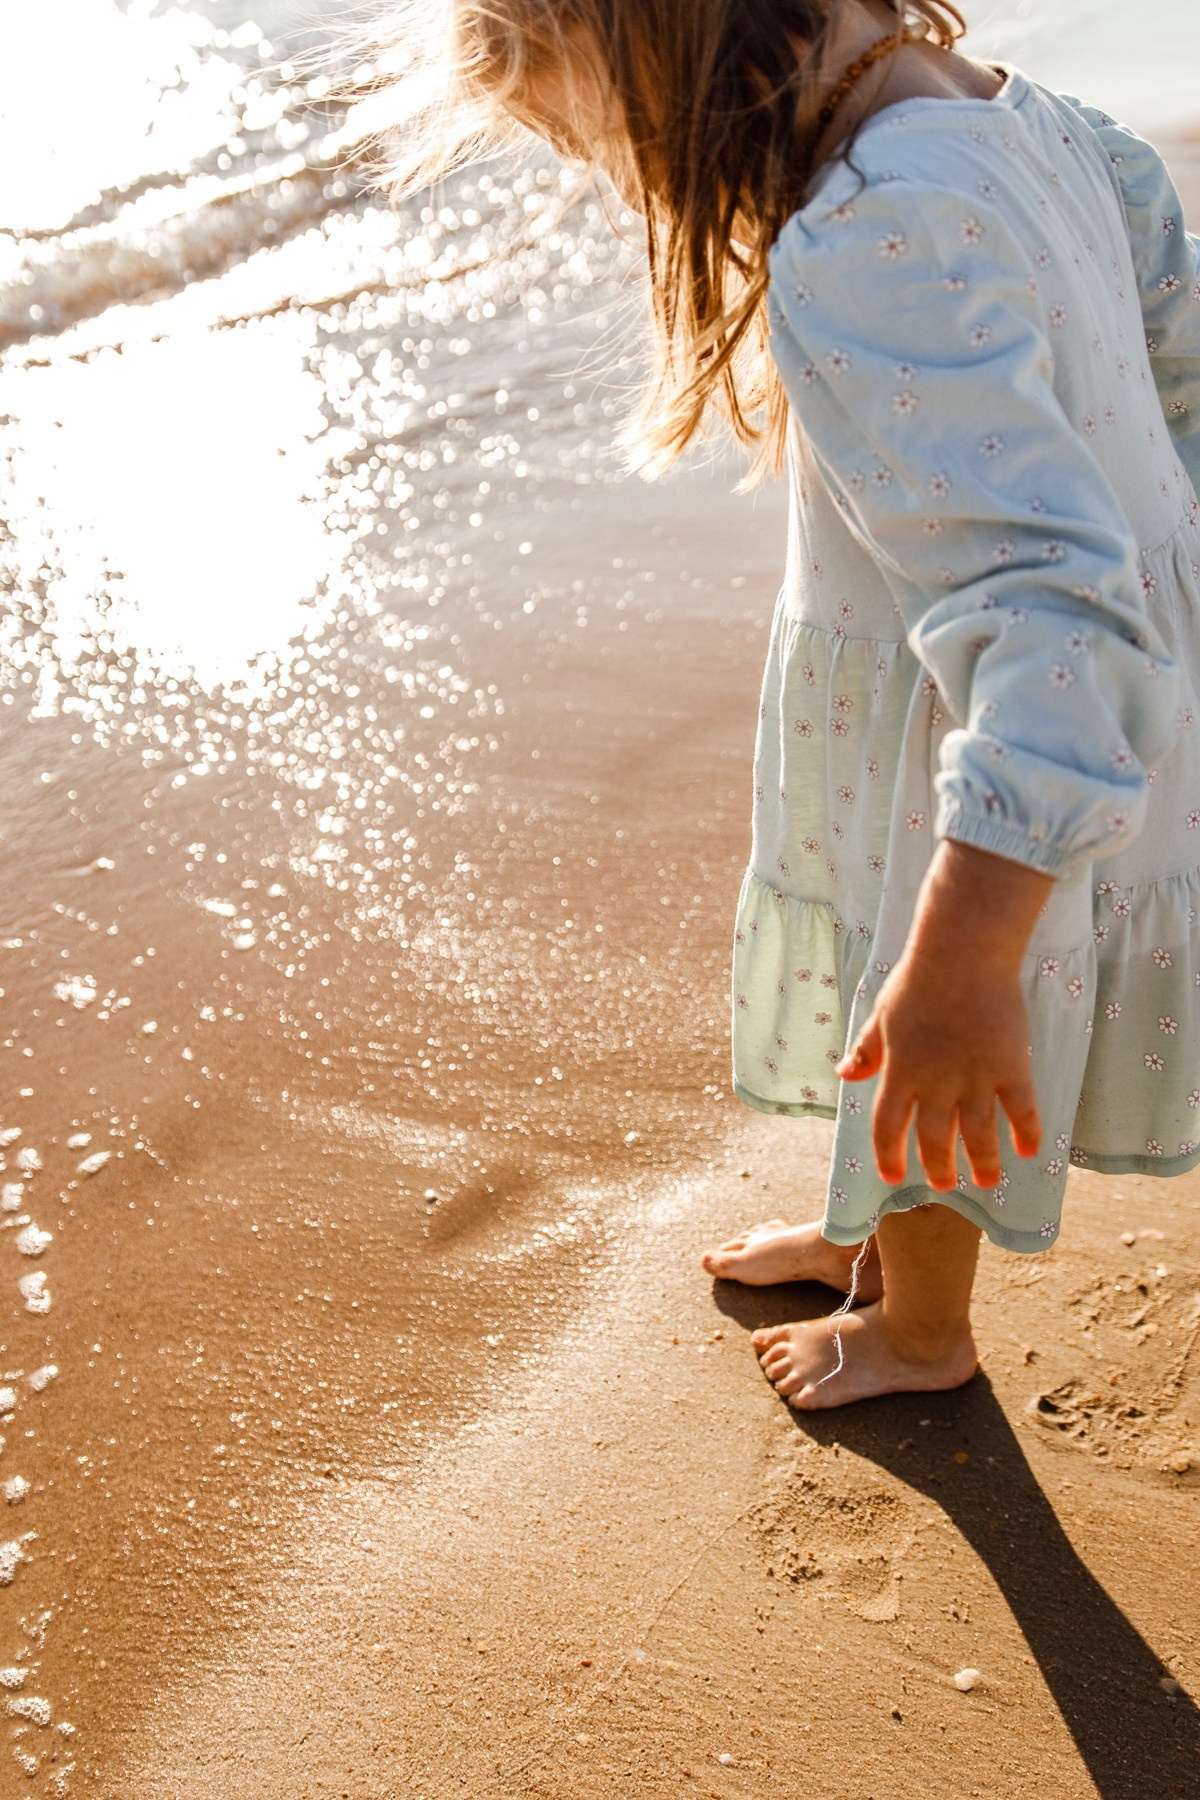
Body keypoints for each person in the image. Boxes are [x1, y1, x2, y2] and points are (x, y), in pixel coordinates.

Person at [386, 0, 1200, 1406]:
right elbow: (1180, 373)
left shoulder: (868, 241)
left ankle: (920, 1331)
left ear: (659, 50)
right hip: (1078, 688)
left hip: (1010, 725)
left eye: (599, 143)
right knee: (903, 994)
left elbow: (1045, 604)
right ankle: (869, 1241)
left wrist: (967, 941)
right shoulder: (1038, 122)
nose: (619, 181)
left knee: (924, 1019)